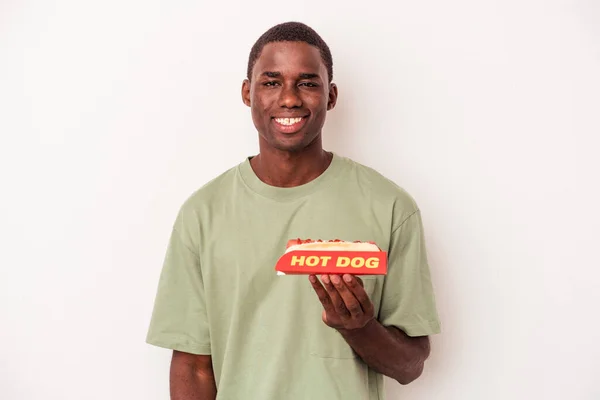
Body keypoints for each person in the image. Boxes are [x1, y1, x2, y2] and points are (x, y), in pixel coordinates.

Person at [146, 21, 441, 400]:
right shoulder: (202, 213)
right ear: (247, 92)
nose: (289, 99)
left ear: (331, 96)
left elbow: (410, 367)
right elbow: (193, 366)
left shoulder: (390, 207)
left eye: (307, 82)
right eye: (271, 82)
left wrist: (359, 327)